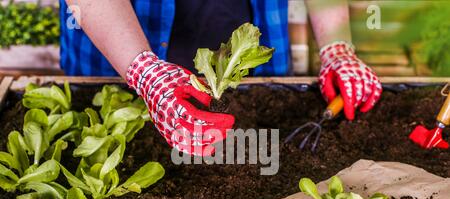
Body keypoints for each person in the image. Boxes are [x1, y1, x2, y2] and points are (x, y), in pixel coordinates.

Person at [62, 0, 382, 155]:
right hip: (120, 47)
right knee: (119, 143)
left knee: (257, 153)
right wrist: (143, 71)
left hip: (248, 46)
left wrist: (337, 46)